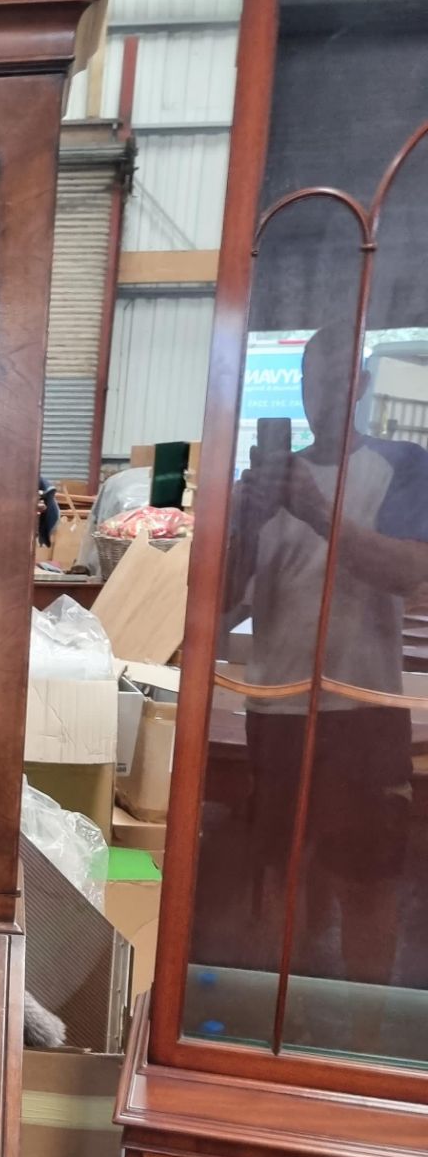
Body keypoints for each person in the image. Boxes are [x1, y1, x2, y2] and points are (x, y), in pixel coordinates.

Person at [227, 320, 428, 993]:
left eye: (340, 383)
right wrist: (247, 525)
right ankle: (284, 1008)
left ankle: (367, 1024)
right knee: (283, 873)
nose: (324, 398)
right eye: (314, 384)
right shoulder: (264, 484)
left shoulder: (401, 465)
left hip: (363, 709)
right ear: (302, 387)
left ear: (363, 386)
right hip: (278, 707)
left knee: (367, 881)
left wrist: (319, 513)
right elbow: (221, 609)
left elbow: (408, 572)